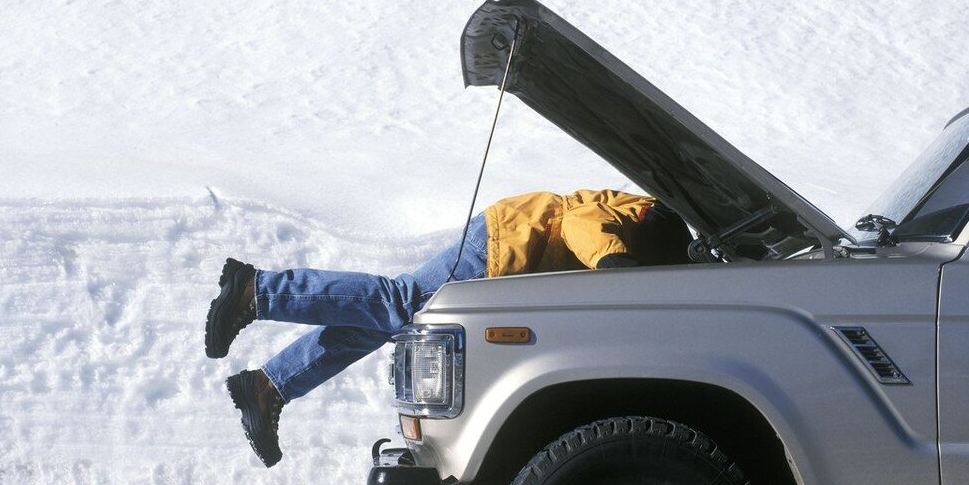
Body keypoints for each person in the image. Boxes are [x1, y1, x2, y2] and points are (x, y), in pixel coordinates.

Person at [206, 190, 692, 467]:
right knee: (398, 303)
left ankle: (268, 384)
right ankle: (258, 290)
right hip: (502, 245)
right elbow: (582, 226)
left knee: (386, 318)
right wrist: (615, 266)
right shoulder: (638, 212)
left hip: (504, 245)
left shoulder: (641, 219)